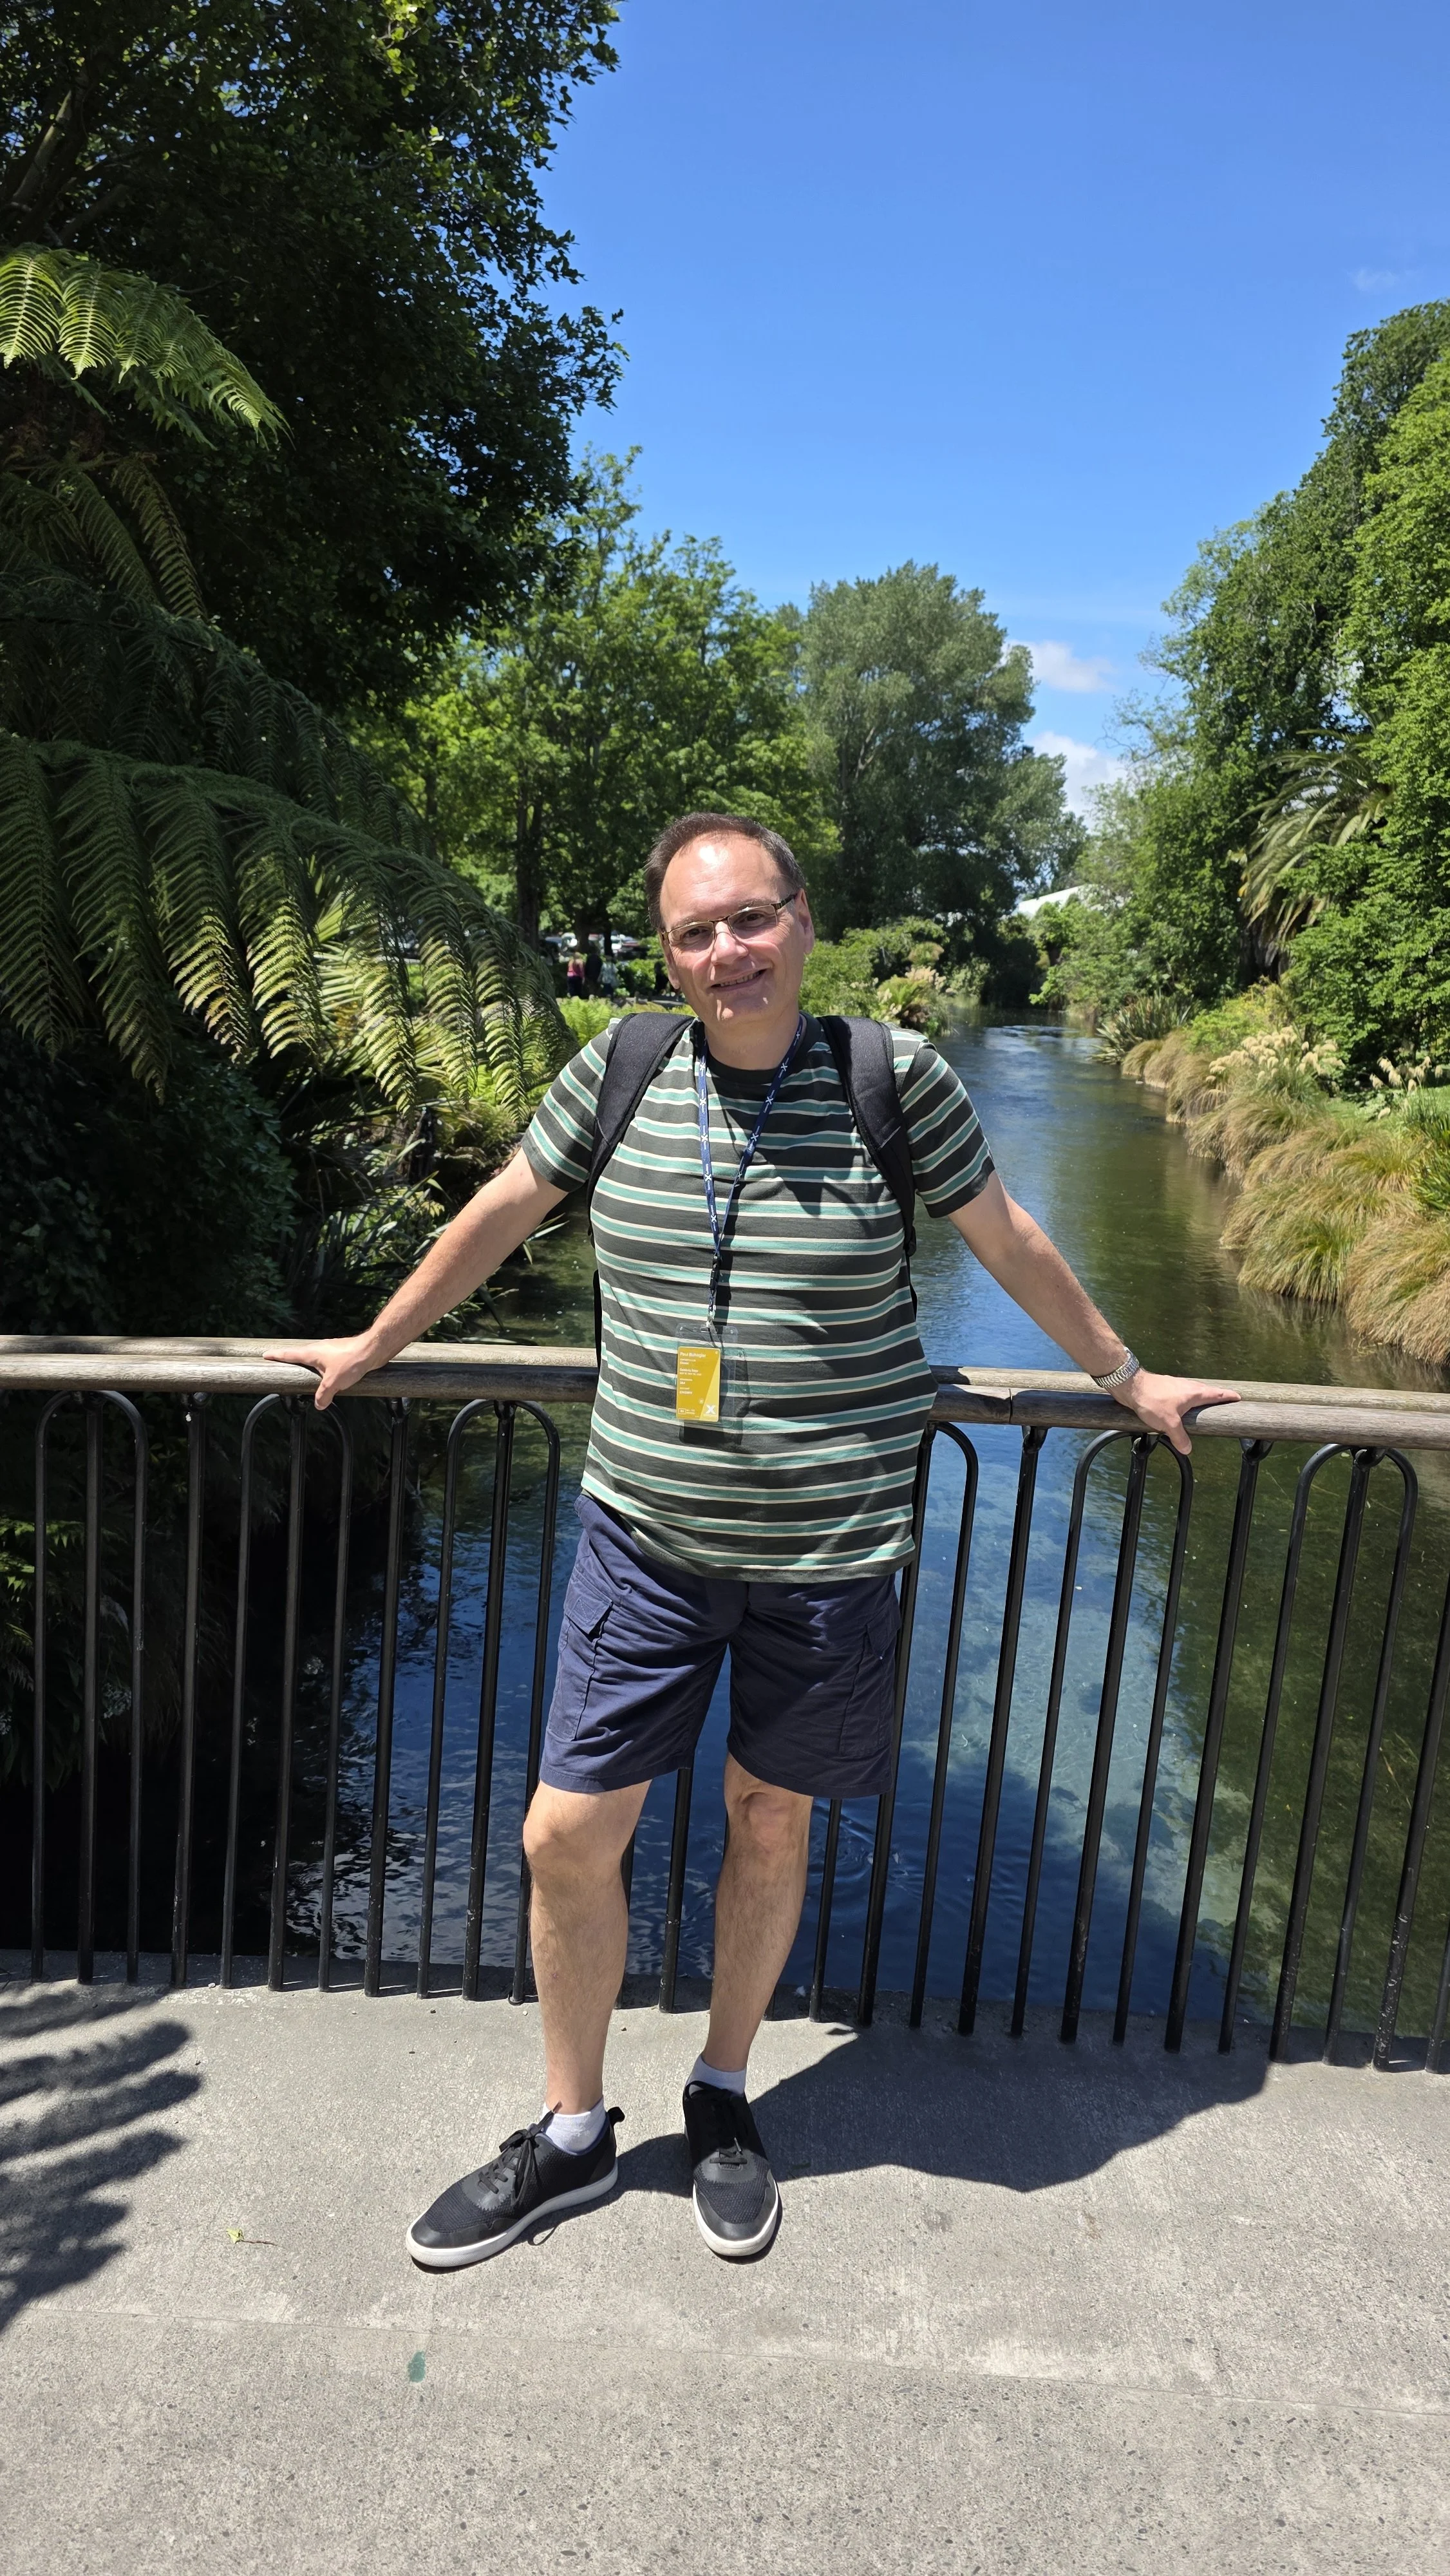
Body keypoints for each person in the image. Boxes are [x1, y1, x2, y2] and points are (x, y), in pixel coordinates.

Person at [268, 811, 1236, 2271]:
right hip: (642, 1538)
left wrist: (1124, 1374)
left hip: (831, 1552)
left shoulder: (889, 1079)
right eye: (694, 932)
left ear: (801, 917)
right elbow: (500, 1210)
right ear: (667, 955)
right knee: (563, 1831)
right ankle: (574, 2128)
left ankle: (721, 2094)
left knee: (767, 1821)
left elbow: (1006, 1232)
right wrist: (378, 1336)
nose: (728, 951)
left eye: (751, 918)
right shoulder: (621, 1072)